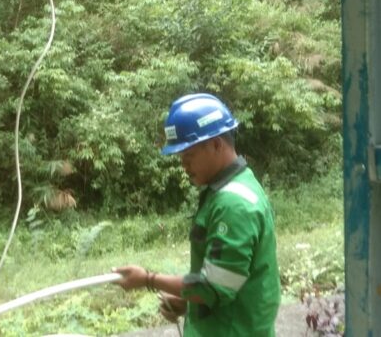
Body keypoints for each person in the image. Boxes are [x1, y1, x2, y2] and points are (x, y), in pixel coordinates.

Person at [112, 93, 280, 336]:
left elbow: (213, 288)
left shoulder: (233, 205)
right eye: (181, 157)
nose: (184, 165)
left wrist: (148, 279)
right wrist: (190, 302)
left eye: (189, 156)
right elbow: (227, 282)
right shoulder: (237, 184)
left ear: (216, 145)